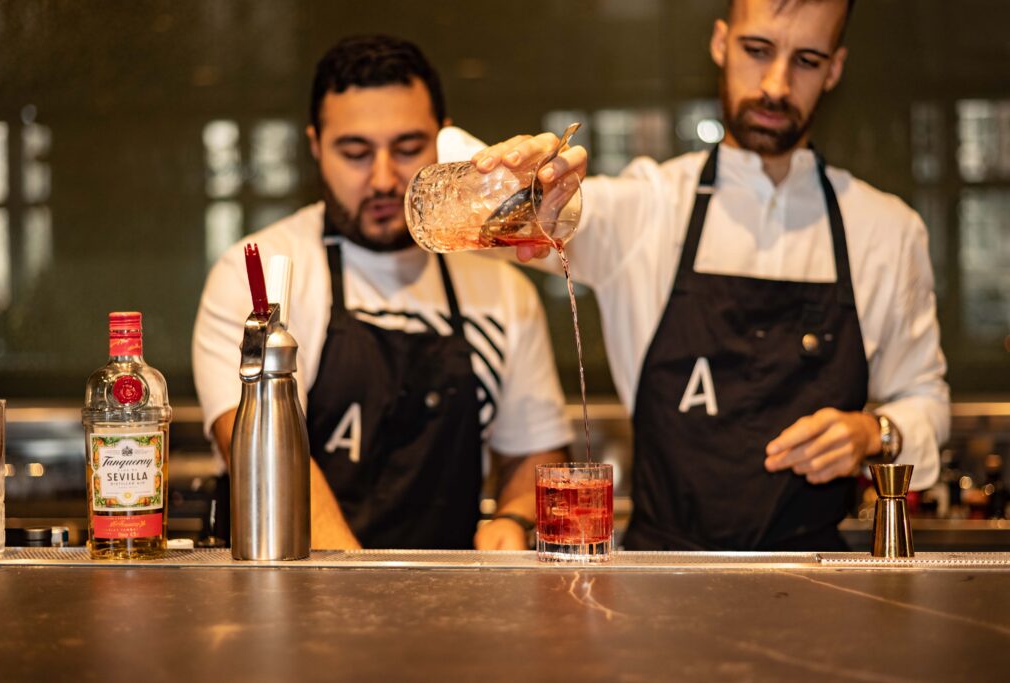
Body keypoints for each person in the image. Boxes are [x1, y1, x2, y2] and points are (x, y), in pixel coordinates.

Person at [470, 0, 950, 550]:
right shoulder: (648, 208)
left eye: (807, 61)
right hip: (657, 590)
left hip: (818, 586)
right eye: (757, 50)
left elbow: (925, 400)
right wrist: (524, 189)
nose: (776, 84)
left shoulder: (886, 230)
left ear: (835, 69)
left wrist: (875, 433)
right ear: (721, 43)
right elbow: (529, 220)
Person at [193, 35, 571, 551]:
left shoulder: (501, 290)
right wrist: (362, 603)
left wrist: (513, 520)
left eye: (409, 148)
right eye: (355, 152)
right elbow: (263, 456)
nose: (384, 178)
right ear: (314, 147)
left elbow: (537, 454)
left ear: (444, 140)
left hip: (451, 610)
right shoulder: (257, 275)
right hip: (293, 606)